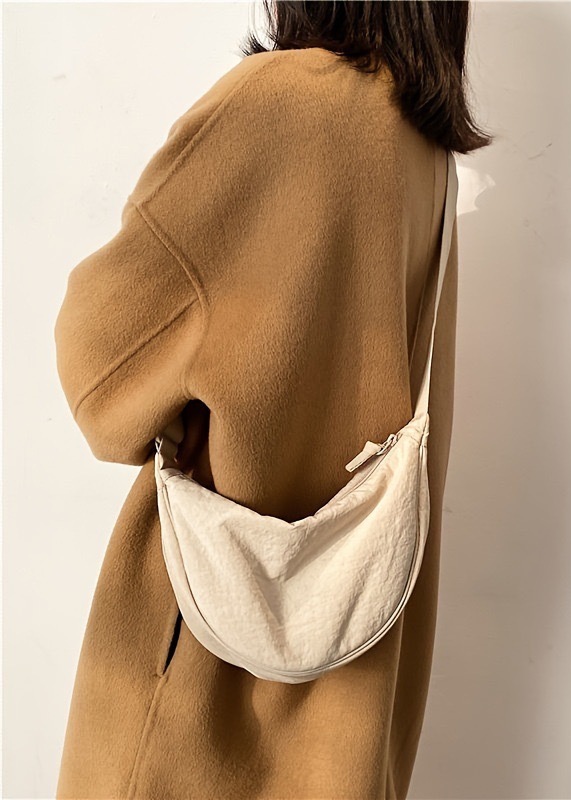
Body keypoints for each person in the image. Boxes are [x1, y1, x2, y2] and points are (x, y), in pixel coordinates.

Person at [53, 1, 492, 797]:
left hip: (196, 702)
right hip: (349, 715)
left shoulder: (277, 106)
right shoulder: (426, 156)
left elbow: (100, 371)